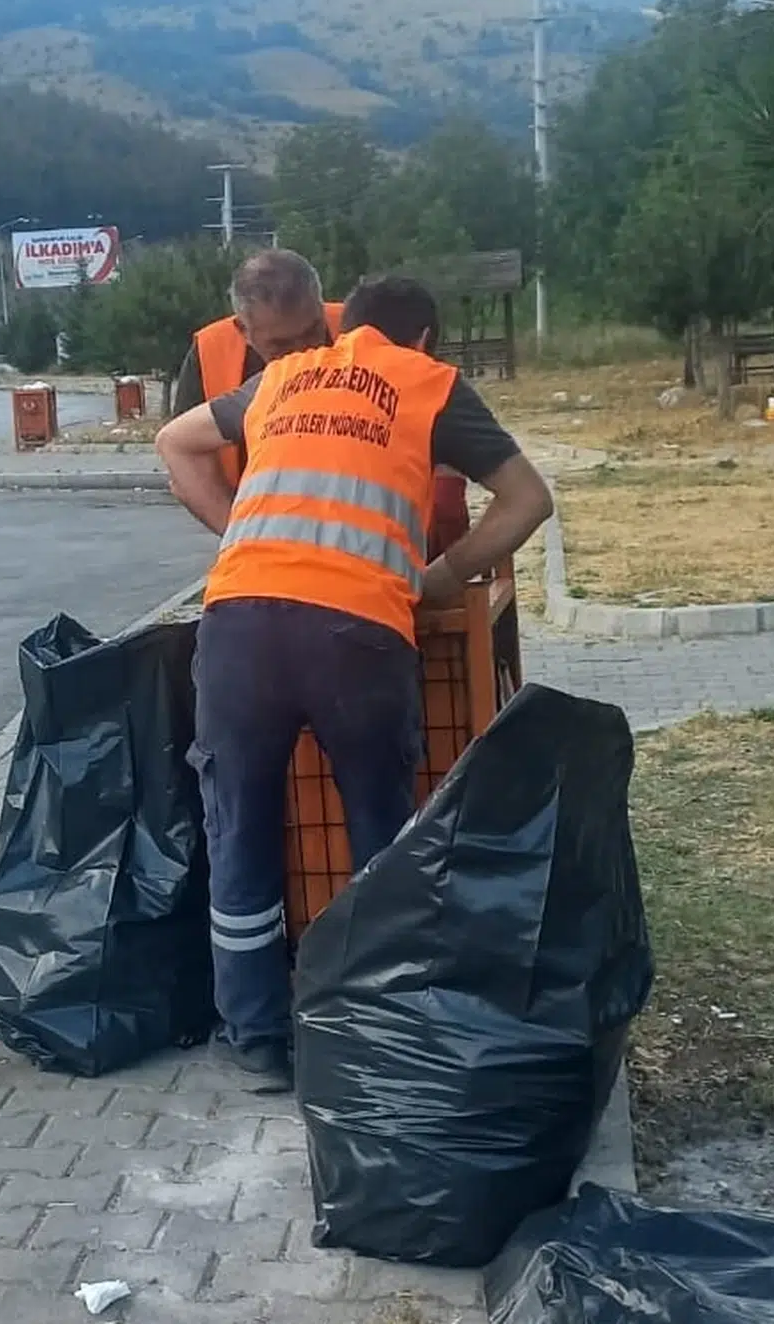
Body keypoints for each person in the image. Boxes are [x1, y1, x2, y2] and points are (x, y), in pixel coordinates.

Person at [155, 275, 553, 1092]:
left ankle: (258, 1040)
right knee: (381, 834)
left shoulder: (285, 376)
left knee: (242, 831)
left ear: (340, 328)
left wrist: (245, 534)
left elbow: (174, 441)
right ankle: (382, 1028)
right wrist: (439, 579)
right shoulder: (431, 383)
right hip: (356, 630)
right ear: (430, 340)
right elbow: (526, 500)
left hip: (238, 623)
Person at [172, 249, 346, 488]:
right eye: (280, 345)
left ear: (320, 307)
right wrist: (232, 524)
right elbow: (185, 456)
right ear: (243, 330)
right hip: (250, 512)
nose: (301, 353)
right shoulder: (210, 350)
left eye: (311, 334)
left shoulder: (357, 329)